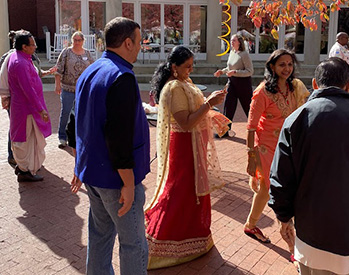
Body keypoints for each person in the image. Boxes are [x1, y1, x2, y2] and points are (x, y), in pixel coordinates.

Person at [269, 57, 349, 274]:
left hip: (314, 231)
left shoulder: (296, 119)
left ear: (315, 84)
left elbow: (281, 177)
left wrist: (283, 215)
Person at [74, 17, 149, 274]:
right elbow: (118, 135)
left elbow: (78, 121)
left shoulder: (91, 70)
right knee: (133, 245)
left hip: (93, 173)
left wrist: (79, 165)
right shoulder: (122, 76)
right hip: (116, 178)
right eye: (138, 42)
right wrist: (128, 183)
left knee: (100, 238)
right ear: (128, 43)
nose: (140, 47)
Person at [145, 45, 228, 269]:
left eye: (192, 65)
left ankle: (195, 238)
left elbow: (197, 112)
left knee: (194, 190)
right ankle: (165, 243)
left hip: (193, 144)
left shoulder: (185, 83)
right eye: (187, 66)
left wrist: (213, 115)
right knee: (180, 189)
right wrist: (210, 103)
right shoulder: (173, 88)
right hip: (183, 146)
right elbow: (186, 121)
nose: (190, 70)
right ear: (174, 67)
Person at [244, 49, 309, 248]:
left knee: (284, 187)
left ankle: (255, 224)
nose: (287, 68)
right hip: (265, 148)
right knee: (267, 189)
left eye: (290, 64)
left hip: (288, 145)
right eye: (282, 64)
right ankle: (258, 227)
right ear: (272, 67)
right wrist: (251, 158)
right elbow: (251, 127)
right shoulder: (262, 92)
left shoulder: (295, 88)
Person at [0, 30, 55, 168]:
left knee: (28, 139)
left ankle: (25, 168)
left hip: (26, 107)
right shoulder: (20, 62)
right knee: (25, 140)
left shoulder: (22, 58)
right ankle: (25, 169)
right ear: (24, 46)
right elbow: (28, 90)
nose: (35, 47)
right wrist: (40, 109)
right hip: (26, 109)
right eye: (33, 44)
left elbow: (32, 77)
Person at [55, 31, 94, 148]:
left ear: (83, 41)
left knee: (81, 113)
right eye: (75, 40)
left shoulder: (87, 53)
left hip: (83, 89)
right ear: (72, 41)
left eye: (79, 40)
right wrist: (57, 85)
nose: (77, 42)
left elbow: (92, 68)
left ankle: (79, 136)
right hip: (68, 88)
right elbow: (59, 69)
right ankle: (62, 136)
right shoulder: (66, 52)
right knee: (66, 112)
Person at [214, 33, 253, 137]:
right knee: (228, 106)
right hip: (232, 83)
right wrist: (221, 72)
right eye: (231, 40)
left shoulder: (244, 54)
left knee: (248, 108)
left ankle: (256, 129)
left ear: (239, 42)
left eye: (234, 40)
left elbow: (250, 71)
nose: (232, 42)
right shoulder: (232, 52)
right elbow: (229, 68)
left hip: (243, 84)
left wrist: (235, 72)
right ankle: (225, 130)